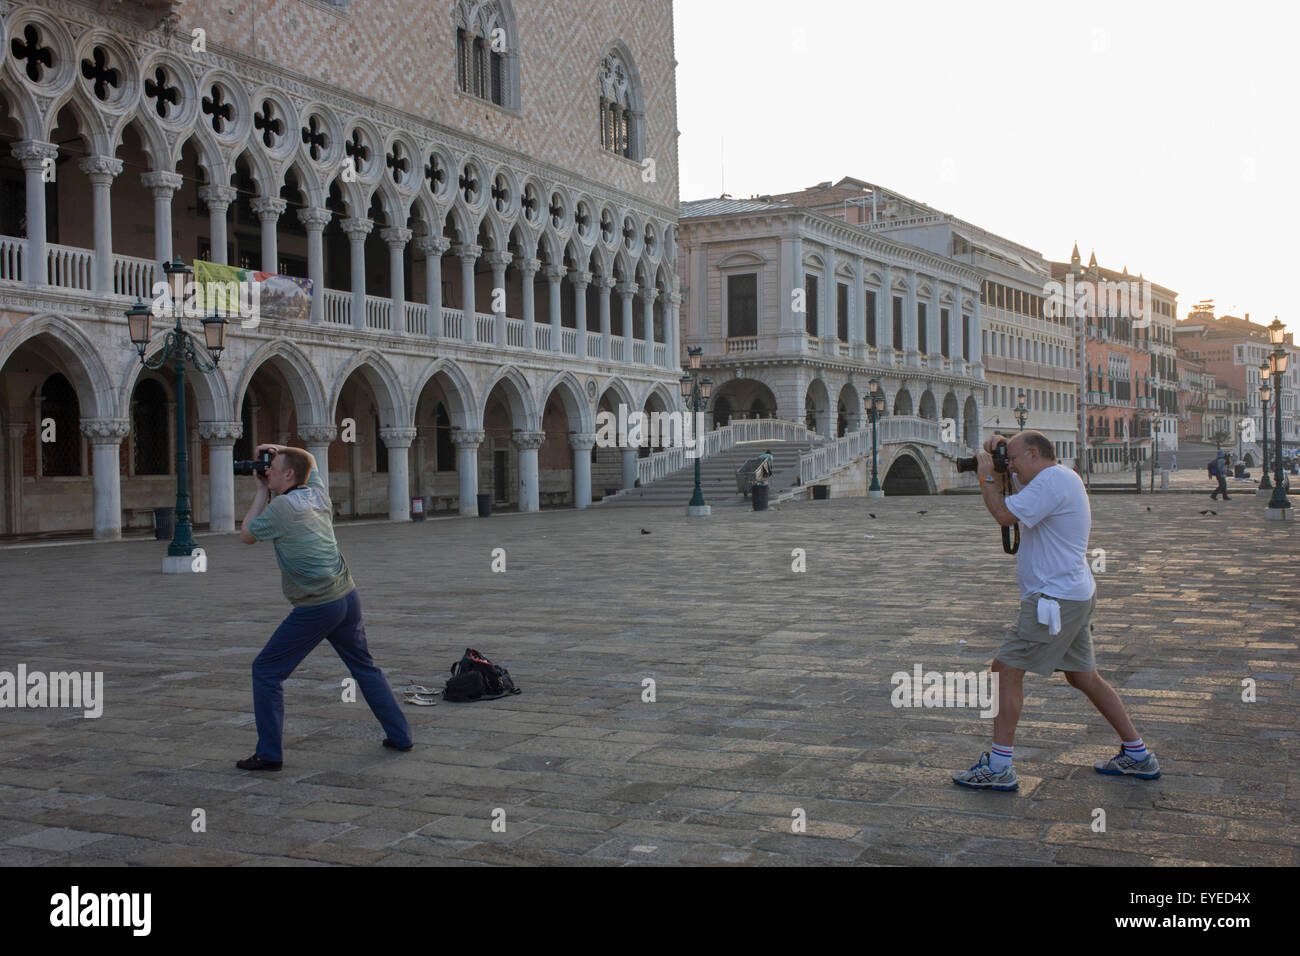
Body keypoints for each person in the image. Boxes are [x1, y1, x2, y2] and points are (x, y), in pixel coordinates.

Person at [952, 430, 1159, 791]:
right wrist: (998, 453)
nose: (1011, 466)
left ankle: (1000, 765)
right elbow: (1012, 490)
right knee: (1083, 676)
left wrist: (986, 476)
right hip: (1072, 595)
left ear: (1034, 454)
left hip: (1054, 600)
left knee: (1004, 670)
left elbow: (1003, 514)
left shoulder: (1052, 480)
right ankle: (1138, 754)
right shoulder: (1054, 478)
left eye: (1014, 458)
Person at [237, 443, 412, 770]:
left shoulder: (282, 508)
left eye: (272, 468)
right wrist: (282, 449)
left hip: (318, 605)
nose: (267, 472)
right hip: (347, 595)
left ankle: (269, 754)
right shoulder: (318, 493)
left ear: (288, 474)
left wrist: (260, 492)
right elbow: (311, 460)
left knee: (266, 671)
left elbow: (246, 534)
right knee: (364, 667)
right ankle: (401, 735)